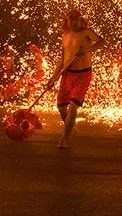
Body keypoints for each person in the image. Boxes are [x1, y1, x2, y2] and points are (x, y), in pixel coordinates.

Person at [46, 10, 104, 149]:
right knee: (61, 107)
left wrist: (87, 50)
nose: (73, 22)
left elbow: (101, 42)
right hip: (67, 74)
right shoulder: (65, 35)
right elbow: (62, 60)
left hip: (82, 75)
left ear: (80, 20)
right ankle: (70, 128)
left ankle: (65, 138)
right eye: (70, 19)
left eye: (75, 19)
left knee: (73, 106)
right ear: (66, 21)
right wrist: (53, 78)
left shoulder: (87, 32)